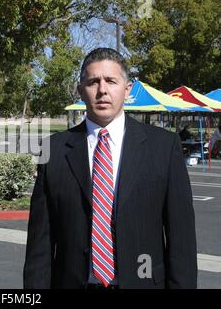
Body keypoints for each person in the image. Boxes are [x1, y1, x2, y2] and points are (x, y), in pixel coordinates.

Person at [24, 48, 197, 289]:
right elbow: (39, 246)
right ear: (80, 90)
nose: (102, 90)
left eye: (111, 81)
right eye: (93, 81)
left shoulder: (163, 147)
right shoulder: (53, 150)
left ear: (127, 90)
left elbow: (182, 242)